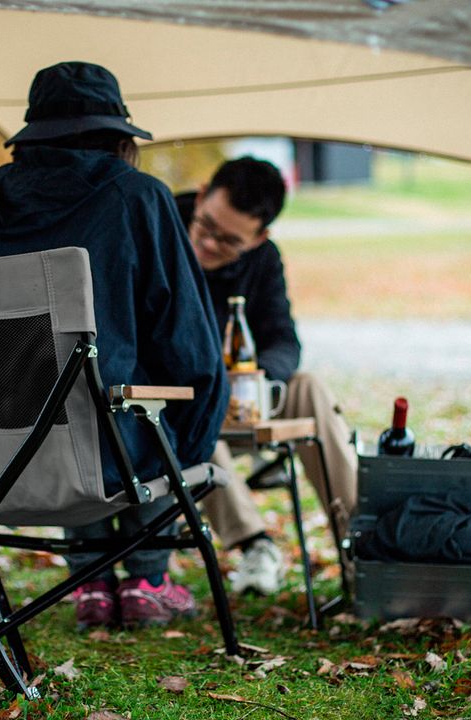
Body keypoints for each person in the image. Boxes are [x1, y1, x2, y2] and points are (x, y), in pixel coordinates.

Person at [0, 61, 228, 629]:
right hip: (103, 455)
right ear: (118, 136)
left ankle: (94, 584)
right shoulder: (139, 198)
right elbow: (189, 346)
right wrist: (198, 444)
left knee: (64, 397)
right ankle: (147, 577)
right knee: (132, 408)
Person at [175, 157, 358, 595]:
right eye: (206, 225)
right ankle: (255, 545)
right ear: (200, 197)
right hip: (179, 398)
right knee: (191, 413)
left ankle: (361, 544)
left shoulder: (264, 261)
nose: (209, 242)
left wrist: (259, 378)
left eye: (230, 241)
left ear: (260, 238)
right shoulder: (159, 226)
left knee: (308, 387)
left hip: (240, 397)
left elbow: (284, 340)